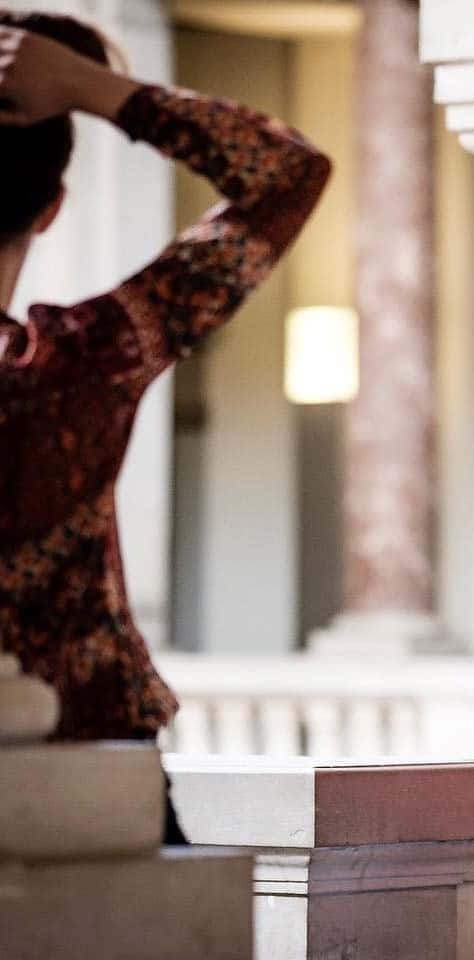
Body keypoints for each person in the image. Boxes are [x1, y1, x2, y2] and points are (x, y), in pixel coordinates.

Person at [0, 13, 329, 841]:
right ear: (52, 208)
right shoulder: (77, 363)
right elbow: (289, 173)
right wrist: (96, 90)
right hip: (87, 765)